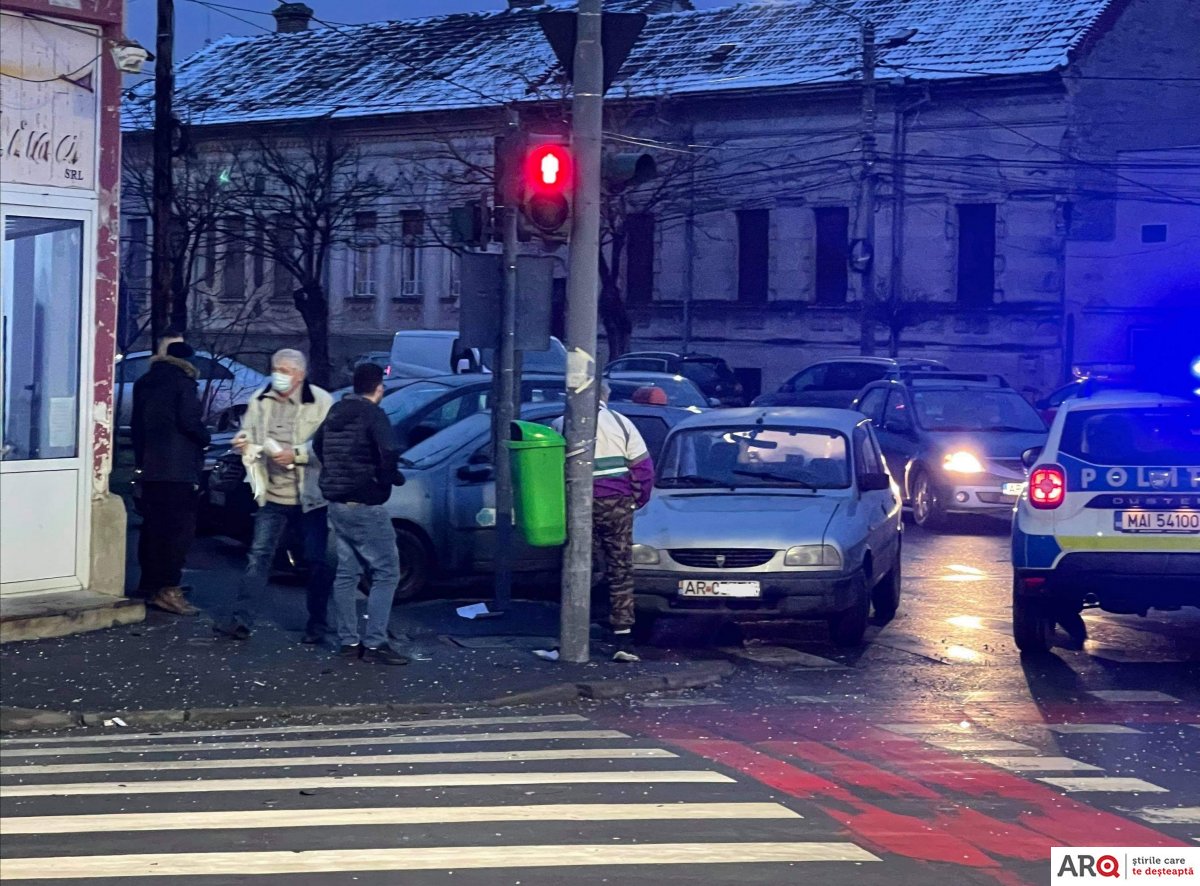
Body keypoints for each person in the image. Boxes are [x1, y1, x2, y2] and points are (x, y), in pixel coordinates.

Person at [213, 349, 333, 642]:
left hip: (311, 497)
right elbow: (249, 435)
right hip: (273, 496)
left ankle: (318, 625)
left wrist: (298, 454)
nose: (278, 375)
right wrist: (245, 445)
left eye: (285, 370)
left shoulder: (321, 402)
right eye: (275, 368)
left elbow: (328, 447)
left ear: (300, 375)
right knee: (258, 557)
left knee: (319, 560)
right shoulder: (261, 400)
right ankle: (241, 621)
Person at [312, 362, 409, 665]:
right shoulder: (373, 413)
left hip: (337, 504)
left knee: (346, 574)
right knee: (387, 571)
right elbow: (390, 449)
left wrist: (338, 472)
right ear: (379, 387)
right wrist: (386, 477)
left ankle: (348, 641)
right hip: (366, 504)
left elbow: (317, 446)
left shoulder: (335, 412)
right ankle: (376, 643)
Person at [553, 381, 654, 662]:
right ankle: (622, 635)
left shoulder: (562, 423)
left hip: (577, 506)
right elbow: (643, 469)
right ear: (605, 397)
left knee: (578, 566)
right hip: (617, 505)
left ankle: (575, 629)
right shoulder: (622, 423)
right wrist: (637, 500)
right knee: (619, 567)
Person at [130, 334, 211, 616]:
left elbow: (136, 427)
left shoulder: (144, 383)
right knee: (178, 532)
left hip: (151, 469)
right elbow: (189, 422)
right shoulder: (183, 384)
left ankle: (148, 585)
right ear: (188, 362)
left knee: (152, 530)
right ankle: (169, 589)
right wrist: (205, 438)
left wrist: (141, 463)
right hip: (179, 470)